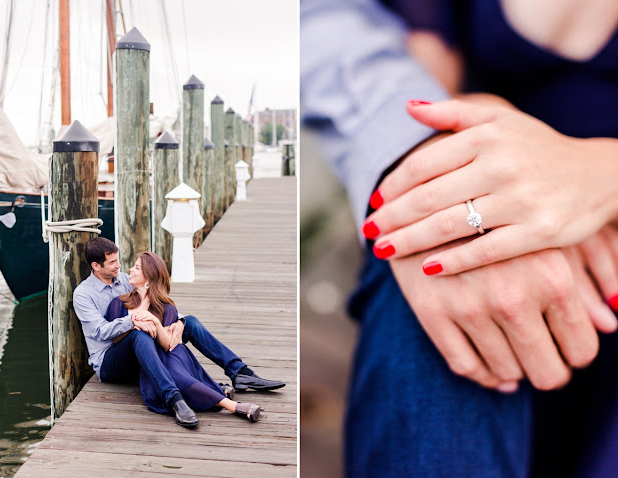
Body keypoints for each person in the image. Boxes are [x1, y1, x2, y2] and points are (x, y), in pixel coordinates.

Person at [302, 0, 618, 476]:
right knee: (431, 251)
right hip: (470, 168)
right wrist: (440, 149)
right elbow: (328, 19)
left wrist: (599, 175)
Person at [73, 237, 284, 428]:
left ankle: (240, 373)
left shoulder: (122, 280)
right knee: (139, 334)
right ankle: (174, 398)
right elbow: (100, 331)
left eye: (118, 260)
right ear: (96, 266)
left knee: (190, 321)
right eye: (112, 263)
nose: (119, 265)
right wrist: (135, 319)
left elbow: (154, 300)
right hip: (111, 361)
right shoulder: (84, 294)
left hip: (142, 350)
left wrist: (179, 321)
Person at [105, 251, 263, 422]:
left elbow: (167, 346)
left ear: (149, 277)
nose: (130, 270)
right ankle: (211, 395)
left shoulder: (166, 308)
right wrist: (135, 324)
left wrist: (156, 324)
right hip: (121, 362)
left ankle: (223, 402)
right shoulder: (119, 302)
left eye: (136, 267)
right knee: (141, 336)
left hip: (151, 362)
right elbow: (116, 339)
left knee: (173, 363)